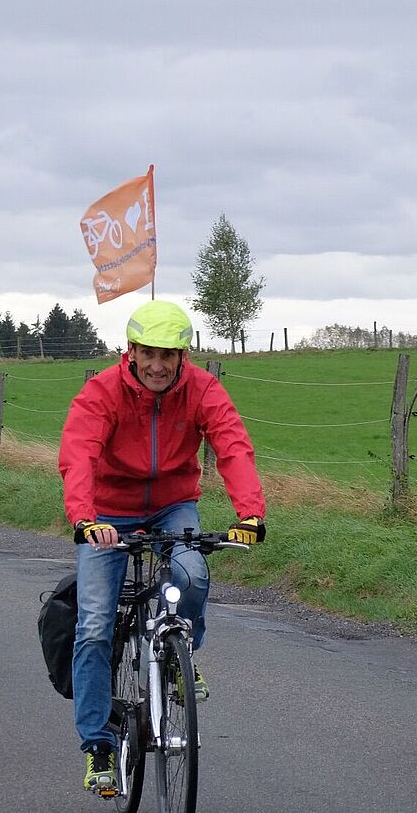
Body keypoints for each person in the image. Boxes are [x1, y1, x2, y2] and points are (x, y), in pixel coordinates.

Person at [59, 299, 267, 795]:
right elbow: (79, 453)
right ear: (130, 351)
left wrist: (250, 512)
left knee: (191, 575)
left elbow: (232, 444)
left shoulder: (202, 389)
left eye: (168, 355)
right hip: (107, 511)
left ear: (183, 357)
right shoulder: (103, 391)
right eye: (148, 353)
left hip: (173, 505)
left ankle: (180, 655)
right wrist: (86, 519)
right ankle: (97, 746)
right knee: (93, 624)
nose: (157, 365)